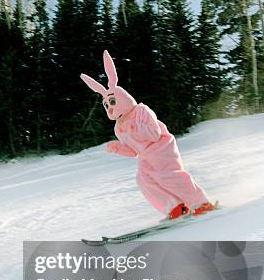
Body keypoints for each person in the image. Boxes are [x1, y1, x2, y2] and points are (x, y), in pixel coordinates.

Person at [80, 50, 215, 219]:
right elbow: (133, 151)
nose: (111, 108)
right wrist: (117, 148)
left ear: (122, 97)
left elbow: (153, 134)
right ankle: (175, 208)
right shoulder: (118, 128)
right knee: (143, 180)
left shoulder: (141, 111)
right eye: (107, 106)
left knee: (168, 176)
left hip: (161, 148)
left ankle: (201, 202)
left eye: (112, 102)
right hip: (145, 156)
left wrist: (135, 129)